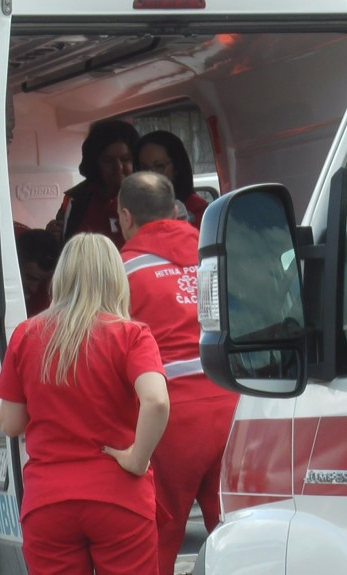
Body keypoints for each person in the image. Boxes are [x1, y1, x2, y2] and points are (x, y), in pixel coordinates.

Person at [0, 233, 170, 575]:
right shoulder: (131, 335)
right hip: (118, 496)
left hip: (48, 501)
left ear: (61, 276)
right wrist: (137, 459)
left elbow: (10, 423)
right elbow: (157, 401)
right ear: (116, 278)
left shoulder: (26, 335)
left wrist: (6, 391)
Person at [118, 171, 238, 575]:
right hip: (234, 406)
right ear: (174, 210)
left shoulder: (122, 271)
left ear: (125, 216)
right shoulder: (218, 254)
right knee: (237, 534)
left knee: (156, 539)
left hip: (170, 418)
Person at [50, 120, 139, 248]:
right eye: (108, 160)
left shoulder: (148, 199)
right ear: (94, 163)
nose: (118, 167)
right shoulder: (76, 200)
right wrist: (52, 239)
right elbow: (64, 246)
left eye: (125, 159)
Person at [134, 130, 208, 229]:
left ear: (176, 167)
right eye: (144, 168)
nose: (151, 175)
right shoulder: (134, 210)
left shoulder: (200, 211)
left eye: (159, 166)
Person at [16, 228, 61, 317]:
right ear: (15, 264)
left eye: (43, 281)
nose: (34, 289)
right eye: (30, 278)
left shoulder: (49, 301)